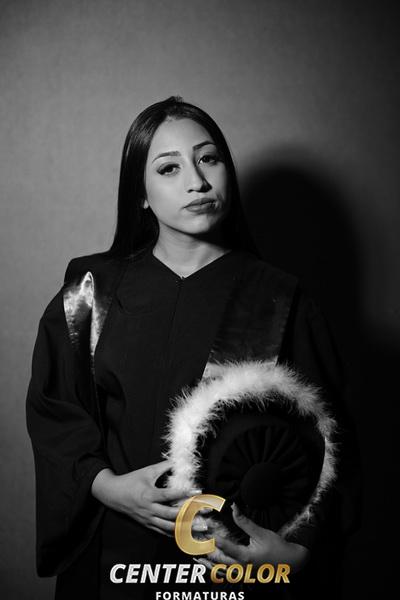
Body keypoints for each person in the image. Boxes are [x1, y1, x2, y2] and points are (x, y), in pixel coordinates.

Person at [26, 96, 360, 600]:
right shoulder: (91, 290)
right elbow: (55, 409)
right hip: (111, 558)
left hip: (225, 563)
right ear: (140, 193)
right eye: (169, 167)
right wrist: (106, 486)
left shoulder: (277, 298)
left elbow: (330, 442)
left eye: (209, 159)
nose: (197, 181)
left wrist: (298, 551)